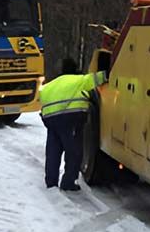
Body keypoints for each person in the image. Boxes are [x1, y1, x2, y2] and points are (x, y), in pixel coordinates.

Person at [39, 58, 108, 191]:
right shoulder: (79, 80)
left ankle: (51, 182)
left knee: (53, 151)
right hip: (69, 118)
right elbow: (99, 77)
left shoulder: (50, 85)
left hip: (50, 120)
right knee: (73, 152)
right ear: (75, 70)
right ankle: (68, 182)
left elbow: (42, 98)